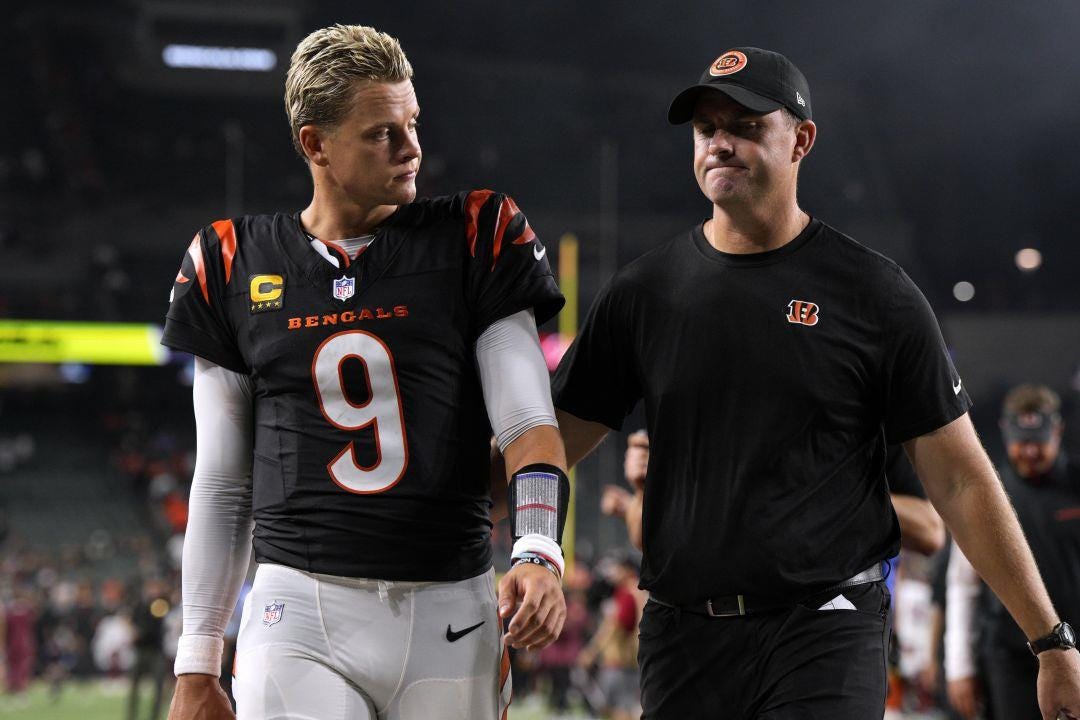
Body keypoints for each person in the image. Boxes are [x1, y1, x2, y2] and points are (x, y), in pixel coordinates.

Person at [550, 46, 1080, 718]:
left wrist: (1050, 639)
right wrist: (460, 522)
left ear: (801, 139)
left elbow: (962, 481)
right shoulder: (644, 292)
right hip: (683, 635)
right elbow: (551, 440)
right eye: (707, 128)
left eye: (744, 125)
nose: (721, 143)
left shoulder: (875, 295)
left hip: (824, 627)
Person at [161, 24, 570, 720]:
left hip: (452, 603)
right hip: (300, 610)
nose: (411, 147)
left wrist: (537, 549)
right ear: (315, 144)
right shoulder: (231, 260)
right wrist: (198, 660)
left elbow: (529, 426)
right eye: (382, 132)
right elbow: (224, 480)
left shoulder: (476, 234)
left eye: (412, 123)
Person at [946, 384, 1080, 719]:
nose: (1030, 452)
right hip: (1012, 656)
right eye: (1022, 441)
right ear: (1006, 432)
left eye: (1039, 441)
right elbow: (963, 585)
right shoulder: (989, 494)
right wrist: (959, 666)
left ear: (1058, 431)